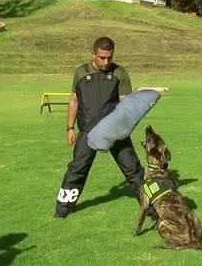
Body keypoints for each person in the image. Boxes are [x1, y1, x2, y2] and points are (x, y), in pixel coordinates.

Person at [54, 37, 144, 218]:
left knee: (133, 170)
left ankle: (151, 206)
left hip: (114, 131)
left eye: (109, 57)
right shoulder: (81, 72)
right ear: (93, 54)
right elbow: (74, 100)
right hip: (87, 132)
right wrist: (70, 128)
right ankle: (63, 209)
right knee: (77, 169)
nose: (106, 62)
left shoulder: (120, 73)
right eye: (102, 57)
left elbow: (126, 105)